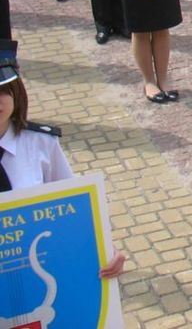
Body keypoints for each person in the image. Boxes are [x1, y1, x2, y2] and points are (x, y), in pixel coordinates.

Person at [0, 41, 127, 277]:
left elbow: (71, 208)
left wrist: (106, 249)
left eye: (3, 89)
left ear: (17, 92)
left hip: (39, 268)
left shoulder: (41, 143)